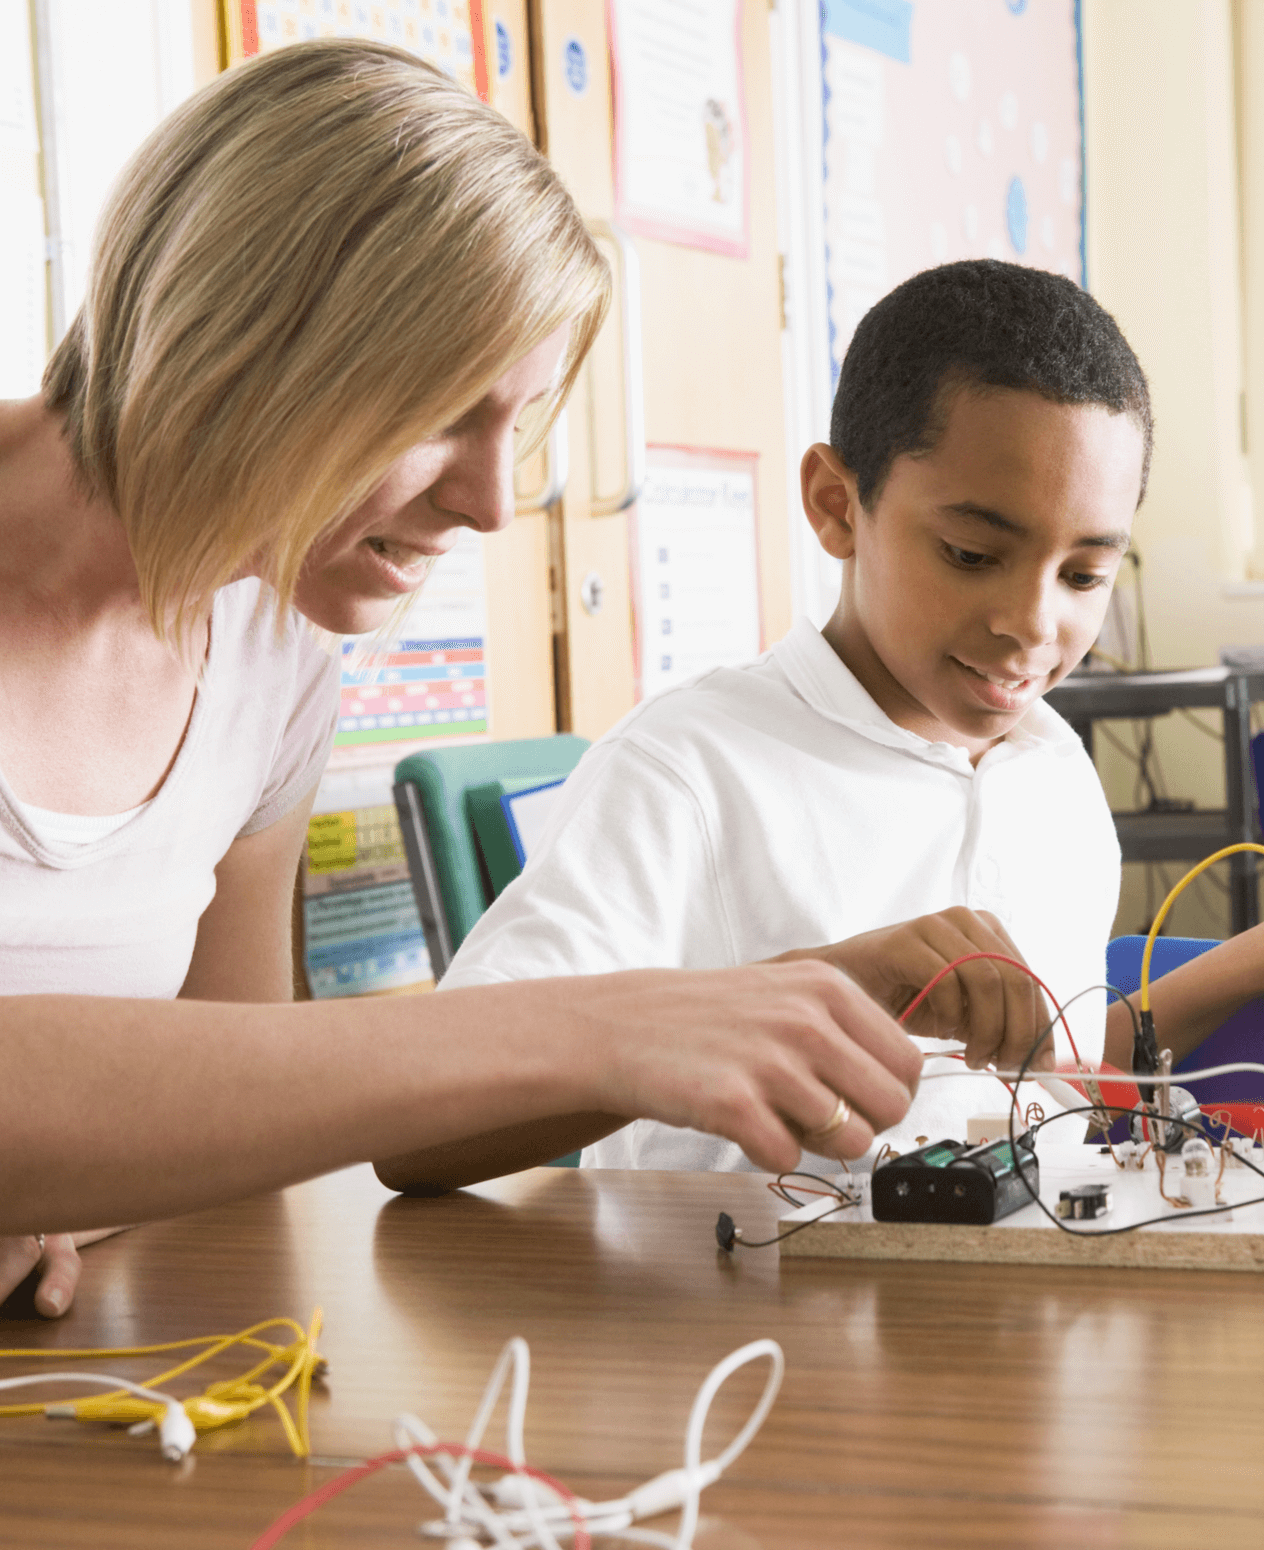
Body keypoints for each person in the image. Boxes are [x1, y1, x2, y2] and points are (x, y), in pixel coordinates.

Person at [0, 40, 924, 1310]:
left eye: (518, 422)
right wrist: (589, 1026)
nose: (493, 502)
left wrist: (71, 1192)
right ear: (240, 337)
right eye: (439, 412)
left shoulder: (275, 651)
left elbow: (236, 1103)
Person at [380, 259, 1160, 1192]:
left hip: (1006, 1318)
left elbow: (1058, 1075)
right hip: (743, 1325)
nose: (1035, 624)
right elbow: (413, 1129)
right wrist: (799, 995)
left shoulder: (1056, 771)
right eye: (971, 553)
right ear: (838, 506)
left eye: (1084, 576)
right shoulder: (687, 769)